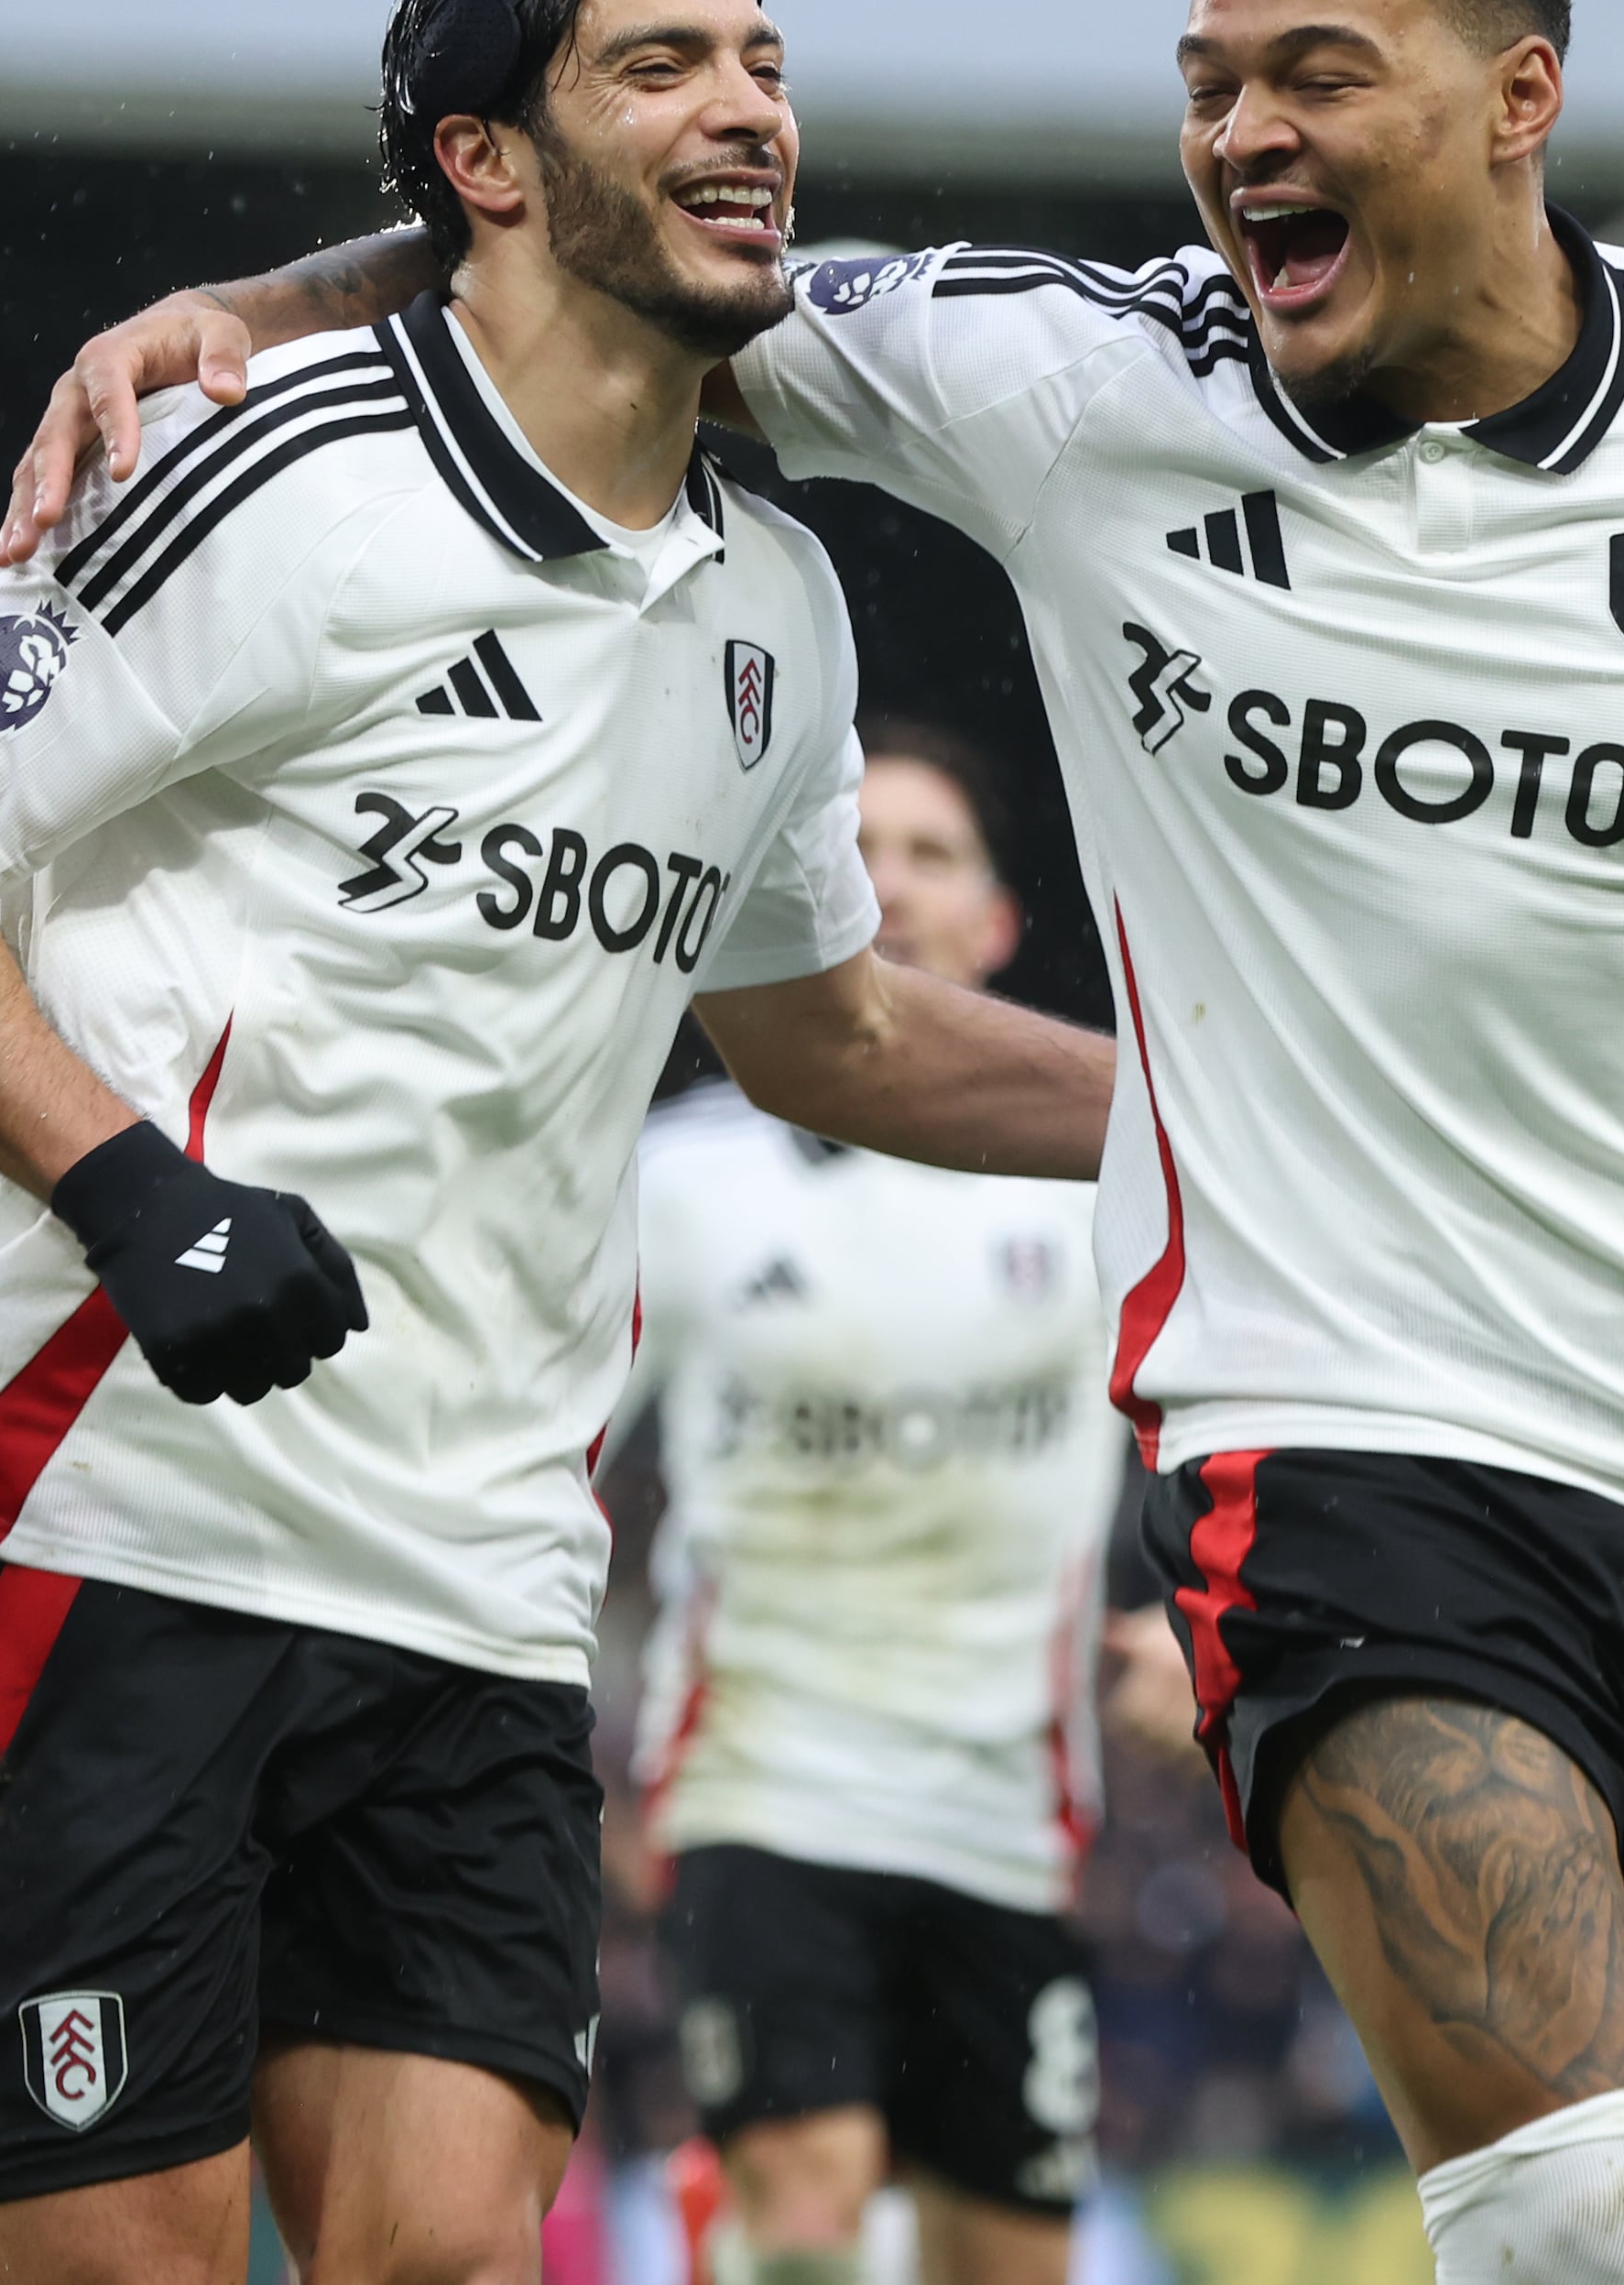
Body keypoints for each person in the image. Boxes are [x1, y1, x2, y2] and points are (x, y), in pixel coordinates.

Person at [0, 0, 1624, 2285]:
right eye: (1208, 81)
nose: (1243, 134)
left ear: (1517, 96)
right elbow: (608, 267)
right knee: (1578, 2219)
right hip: (1344, 1450)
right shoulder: (1074, 377)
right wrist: (248, 303)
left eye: (1316, 72)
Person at [0, 0, 1115, 2285]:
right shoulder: (264, 469)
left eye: (762, 64)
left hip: (479, 1595)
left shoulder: (774, 606)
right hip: (110, 1524)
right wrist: (127, 1187)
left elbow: (834, 1028)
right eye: (660, 65)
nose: (748, 109)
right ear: (488, 162)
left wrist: (1247, 1108)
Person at [626, 723, 1137, 2285]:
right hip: (764, 1782)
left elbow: (1218, 1415)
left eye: (932, 854)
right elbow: (543, 1437)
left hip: (1006, 1806)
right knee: (806, 2202)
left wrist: (1198, 1627)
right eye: (859, 850)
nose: (890, 882)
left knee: (1004, 2259)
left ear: (998, 927)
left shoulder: (1107, 1174)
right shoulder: (682, 1177)